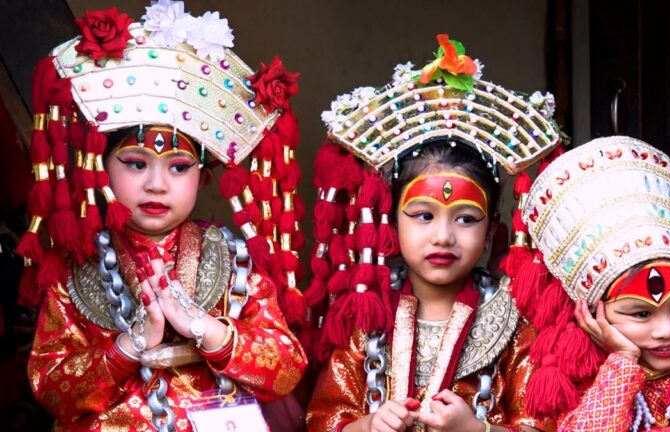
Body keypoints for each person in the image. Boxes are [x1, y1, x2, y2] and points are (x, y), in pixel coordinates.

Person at [18, 3, 307, 431]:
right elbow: (51, 386)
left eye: (178, 167)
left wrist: (208, 330)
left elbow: (286, 366)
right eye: (136, 164)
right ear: (101, 167)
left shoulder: (234, 260)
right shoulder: (75, 267)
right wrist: (129, 346)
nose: (157, 184)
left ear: (203, 178)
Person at [304, 34, 564, 432]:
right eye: (424, 216)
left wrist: (474, 429)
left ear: (492, 228)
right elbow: (324, 420)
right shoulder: (369, 313)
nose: (443, 236)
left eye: (466, 219)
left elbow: (541, 424)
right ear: (391, 222)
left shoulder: (516, 321)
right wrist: (370, 425)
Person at [511, 136, 670, 431]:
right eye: (642, 313)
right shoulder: (581, 373)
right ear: (592, 313)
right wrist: (623, 360)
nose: (667, 330)